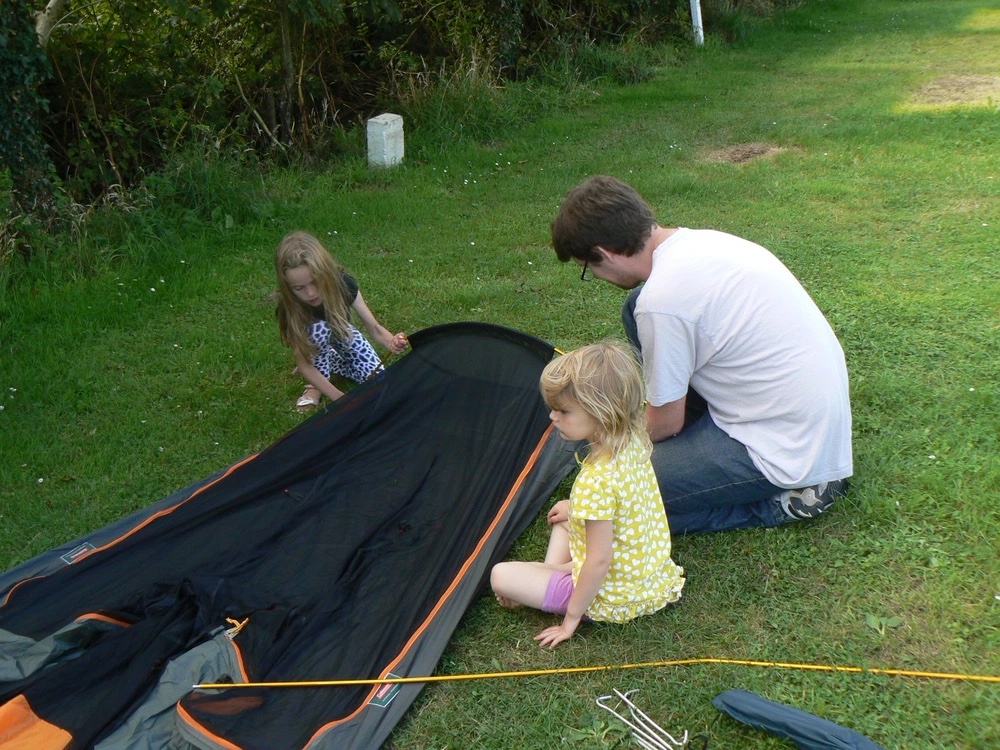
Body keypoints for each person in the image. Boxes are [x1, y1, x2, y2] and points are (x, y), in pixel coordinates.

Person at [550, 176, 853, 535]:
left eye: (590, 268)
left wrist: (610, 453)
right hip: (796, 416)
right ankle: (702, 435)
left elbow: (664, 424)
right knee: (635, 306)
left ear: (605, 254)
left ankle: (792, 497)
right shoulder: (703, 242)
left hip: (778, 446)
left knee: (609, 500)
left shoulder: (663, 302)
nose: (596, 277)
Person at [490, 342, 685, 649]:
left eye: (563, 410)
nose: (553, 417)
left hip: (609, 592)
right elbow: (622, 504)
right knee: (564, 515)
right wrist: (576, 508)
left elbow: (598, 561)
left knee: (501, 575)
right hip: (645, 572)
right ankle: (552, 573)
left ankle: (550, 580)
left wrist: (570, 619)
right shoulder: (632, 439)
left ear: (602, 412)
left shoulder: (597, 481)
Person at [274, 231, 408, 410]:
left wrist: (392, 341)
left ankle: (331, 359)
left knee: (379, 383)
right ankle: (315, 386)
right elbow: (304, 364)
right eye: (299, 288)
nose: (311, 293)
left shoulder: (344, 285)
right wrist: (342, 400)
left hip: (342, 333)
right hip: (314, 340)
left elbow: (374, 328)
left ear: (326, 273)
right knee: (318, 330)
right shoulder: (290, 309)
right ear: (288, 288)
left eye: (315, 282)